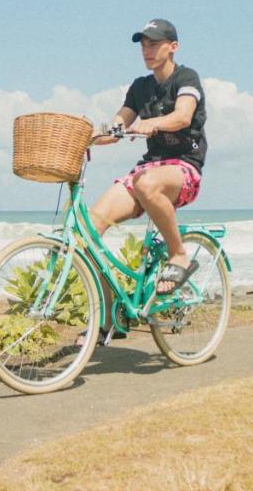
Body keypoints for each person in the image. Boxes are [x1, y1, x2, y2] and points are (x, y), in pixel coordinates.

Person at [89, 19, 208, 303]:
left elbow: (182, 116)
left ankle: (178, 254)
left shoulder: (186, 78)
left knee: (146, 184)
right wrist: (88, 136)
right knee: (89, 232)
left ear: (173, 47)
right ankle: (108, 317)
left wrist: (152, 123)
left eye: (154, 44)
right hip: (148, 169)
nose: (147, 50)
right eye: (143, 45)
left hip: (184, 167)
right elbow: (116, 128)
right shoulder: (140, 87)